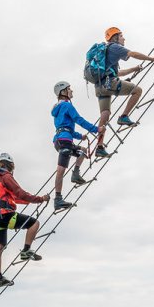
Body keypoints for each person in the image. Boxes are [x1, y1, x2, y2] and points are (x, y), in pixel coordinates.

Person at [93, 26, 154, 158]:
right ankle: (124, 116)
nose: (124, 38)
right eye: (121, 36)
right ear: (115, 38)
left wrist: (134, 69)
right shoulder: (114, 47)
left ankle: (100, 146)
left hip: (100, 86)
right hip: (108, 83)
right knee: (137, 90)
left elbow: (117, 72)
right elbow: (133, 54)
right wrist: (153, 58)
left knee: (105, 114)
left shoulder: (107, 52)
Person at [0, 153, 49, 288]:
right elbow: (20, 193)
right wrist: (39, 199)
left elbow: (15, 197)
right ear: (10, 165)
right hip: (6, 215)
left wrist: (32, 201)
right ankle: (26, 250)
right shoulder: (6, 177)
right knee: (34, 223)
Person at [51, 81, 103, 210]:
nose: (72, 91)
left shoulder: (58, 108)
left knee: (83, 151)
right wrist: (96, 129)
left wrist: (81, 136)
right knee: (61, 170)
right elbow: (79, 120)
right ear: (63, 92)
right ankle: (57, 199)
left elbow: (66, 128)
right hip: (65, 140)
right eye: (69, 89)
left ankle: (75, 173)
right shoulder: (67, 106)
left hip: (60, 139)